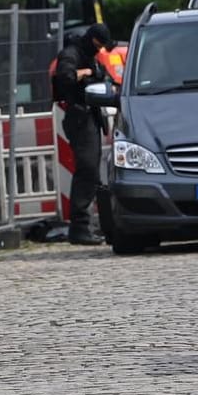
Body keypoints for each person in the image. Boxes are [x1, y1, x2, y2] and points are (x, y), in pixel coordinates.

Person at [52, 23, 114, 246]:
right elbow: (65, 77)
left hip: (90, 117)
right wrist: (87, 72)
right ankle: (79, 226)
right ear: (92, 39)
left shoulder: (90, 55)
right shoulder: (72, 53)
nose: (99, 50)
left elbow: (104, 77)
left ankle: (92, 224)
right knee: (87, 168)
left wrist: (98, 74)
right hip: (79, 117)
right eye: (98, 45)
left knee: (92, 172)